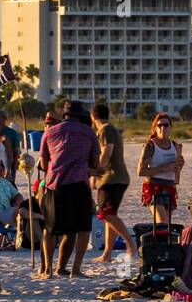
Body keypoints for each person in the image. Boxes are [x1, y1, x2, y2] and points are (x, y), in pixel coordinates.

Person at [39, 101, 101, 278]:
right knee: (80, 229)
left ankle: (48, 270)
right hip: (78, 185)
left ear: (64, 115)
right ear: (81, 115)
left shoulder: (49, 133)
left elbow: (43, 164)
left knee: (50, 229)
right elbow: (95, 162)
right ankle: (75, 269)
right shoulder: (89, 132)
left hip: (54, 185)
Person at [91, 103, 137, 263]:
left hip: (113, 179)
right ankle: (107, 254)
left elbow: (107, 151)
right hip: (115, 178)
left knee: (106, 214)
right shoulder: (110, 129)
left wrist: (96, 172)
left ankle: (131, 245)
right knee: (109, 215)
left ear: (93, 116)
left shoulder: (106, 130)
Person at [136, 112, 183, 226]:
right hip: (154, 188)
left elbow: (178, 165)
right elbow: (141, 171)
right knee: (162, 223)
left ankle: (161, 244)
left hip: (170, 187)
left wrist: (180, 165)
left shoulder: (175, 146)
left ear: (171, 127)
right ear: (155, 128)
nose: (163, 128)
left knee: (167, 227)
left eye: (166, 125)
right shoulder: (150, 146)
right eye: (159, 125)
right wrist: (164, 168)